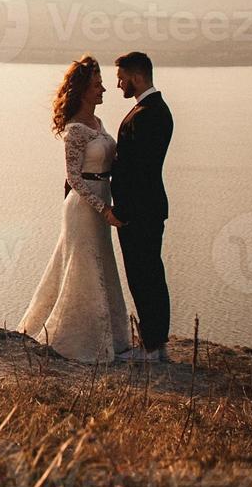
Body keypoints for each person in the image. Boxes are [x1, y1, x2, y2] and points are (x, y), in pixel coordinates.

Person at [18, 56, 130, 363]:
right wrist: (103, 209)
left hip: (102, 198)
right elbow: (73, 177)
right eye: (97, 85)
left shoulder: (98, 124)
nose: (104, 89)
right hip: (84, 208)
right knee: (84, 269)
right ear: (83, 90)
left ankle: (112, 337)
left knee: (101, 265)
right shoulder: (76, 130)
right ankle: (78, 339)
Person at [111, 51, 174, 363]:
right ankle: (156, 343)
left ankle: (151, 347)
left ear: (136, 77)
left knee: (143, 275)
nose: (118, 83)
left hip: (139, 211)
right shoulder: (153, 109)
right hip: (147, 208)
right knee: (151, 274)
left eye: (121, 77)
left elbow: (139, 171)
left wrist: (122, 212)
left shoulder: (148, 114)